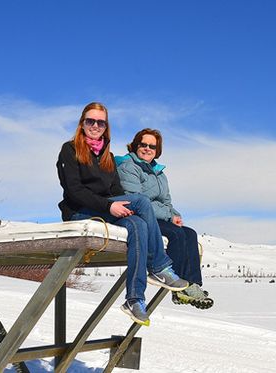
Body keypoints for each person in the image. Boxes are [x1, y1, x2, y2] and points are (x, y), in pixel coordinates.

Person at [56, 102, 189, 326]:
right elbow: (74, 191)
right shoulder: (70, 150)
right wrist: (109, 207)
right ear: (82, 123)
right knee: (141, 200)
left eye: (101, 122)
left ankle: (134, 299)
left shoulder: (107, 156)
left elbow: (116, 191)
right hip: (80, 212)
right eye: (91, 121)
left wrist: (119, 206)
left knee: (138, 223)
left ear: (106, 126)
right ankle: (159, 266)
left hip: (103, 209)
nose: (95, 125)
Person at [116, 128, 213, 309]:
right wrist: (168, 215)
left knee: (190, 233)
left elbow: (166, 202)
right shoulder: (129, 167)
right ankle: (177, 285)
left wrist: (174, 214)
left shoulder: (160, 174)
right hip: (140, 217)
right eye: (143, 144)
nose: (147, 149)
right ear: (136, 146)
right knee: (176, 235)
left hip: (158, 216)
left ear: (157, 150)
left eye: (152, 146)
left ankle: (191, 285)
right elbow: (135, 199)